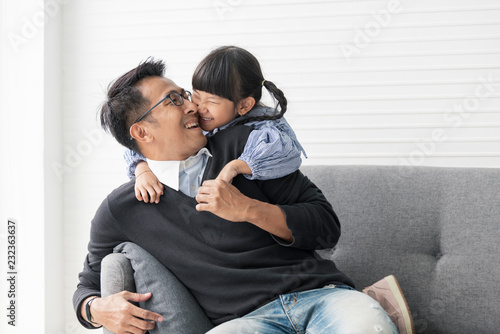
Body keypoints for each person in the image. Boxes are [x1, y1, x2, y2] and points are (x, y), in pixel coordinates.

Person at [73, 58, 412, 334]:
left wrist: (248, 209)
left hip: (321, 297)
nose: (193, 105)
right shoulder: (122, 209)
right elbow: (86, 284)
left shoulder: (247, 150)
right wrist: (96, 309)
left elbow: (326, 226)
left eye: (185, 94)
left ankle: (373, 311)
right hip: (244, 323)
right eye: (174, 100)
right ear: (142, 131)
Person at [123, 46, 306, 204]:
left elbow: (284, 153)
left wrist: (234, 167)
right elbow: (142, 142)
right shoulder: (207, 119)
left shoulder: (261, 131)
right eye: (195, 95)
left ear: (244, 105)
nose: (197, 107)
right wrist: (142, 169)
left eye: (211, 101)